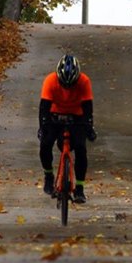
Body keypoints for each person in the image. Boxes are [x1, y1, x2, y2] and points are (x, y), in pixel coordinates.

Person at [38, 54, 96, 203]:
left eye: (71, 85)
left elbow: (88, 108)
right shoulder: (50, 80)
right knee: (45, 144)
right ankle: (49, 176)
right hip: (54, 116)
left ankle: (80, 188)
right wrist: (43, 126)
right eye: (64, 85)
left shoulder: (84, 81)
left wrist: (89, 127)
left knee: (81, 148)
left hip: (77, 117)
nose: (68, 89)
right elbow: (44, 107)